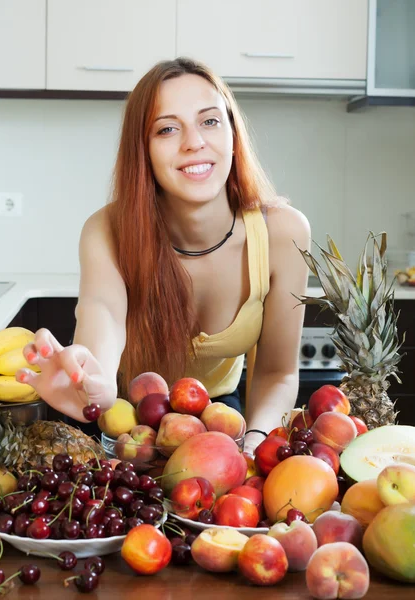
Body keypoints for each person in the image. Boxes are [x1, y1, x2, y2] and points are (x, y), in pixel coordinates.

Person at [17, 57, 311, 455]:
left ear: (232, 134)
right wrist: (95, 387)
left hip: (221, 419)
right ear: (144, 150)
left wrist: (253, 450)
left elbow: (278, 372)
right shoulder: (107, 231)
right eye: (168, 128)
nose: (194, 141)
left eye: (210, 121)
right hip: (121, 420)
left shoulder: (284, 232)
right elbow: (100, 319)